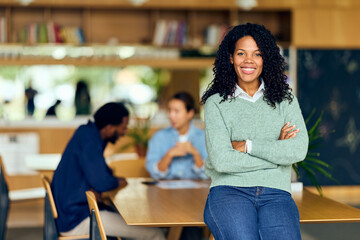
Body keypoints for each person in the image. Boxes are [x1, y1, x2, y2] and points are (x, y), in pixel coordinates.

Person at [201, 23, 309, 240]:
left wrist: (248, 146)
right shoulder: (216, 103)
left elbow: (298, 150)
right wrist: (277, 156)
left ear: (265, 59)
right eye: (241, 53)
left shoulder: (285, 101)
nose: (248, 60)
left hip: (276, 193)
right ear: (231, 58)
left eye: (257, 54)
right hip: (230, 191)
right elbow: (222, 161)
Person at [51, 102, 165, 240]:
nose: (125, 132)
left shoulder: (87, 133)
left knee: (133, 219)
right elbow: (102, 182)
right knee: (155, 234)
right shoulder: (89, 140)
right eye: (123, 127)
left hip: (72, 213)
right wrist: (115, 181)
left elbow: (103, 173)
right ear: (110, 127)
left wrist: (106, 181)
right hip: (77, 219)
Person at [146, 91, 208, 180]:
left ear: (190, 113)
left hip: (196, 192)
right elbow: (154, 173)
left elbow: (209, 174)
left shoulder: (203, 137)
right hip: (164, 193)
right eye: (170, 110)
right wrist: (169, 154)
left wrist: (195, 153)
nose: (171, 115)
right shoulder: (158, 137)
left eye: (176, 111)